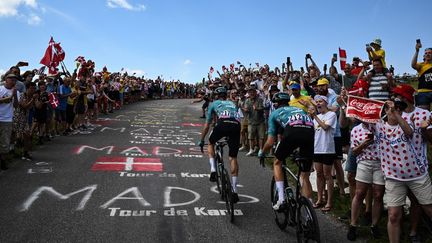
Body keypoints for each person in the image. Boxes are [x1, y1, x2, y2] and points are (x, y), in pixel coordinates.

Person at [366, 99, 432, 243]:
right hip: (393, 177)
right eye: (393, 109)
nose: (396, 111)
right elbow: (354, 120)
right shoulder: (378, 126)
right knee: (393, 215)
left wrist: (396, 113)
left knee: (429, 209)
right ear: (384, 111)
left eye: (399, 109)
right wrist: (345, 105)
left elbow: (408, 132)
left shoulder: (407, 124)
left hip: (417, 175)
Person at [259, 92, 315, 210]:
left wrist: (262, 152)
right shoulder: (299, 110)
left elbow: (270, 142)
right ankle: (309, 209)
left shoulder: (274, 113)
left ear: (275, 104)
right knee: (305, 175)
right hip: (310, 133)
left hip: (292, 132)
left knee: (277, 162)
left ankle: (281, 199)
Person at [198, 87, 241, 203]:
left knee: (211, 142)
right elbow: (237, 118)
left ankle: (213, 169)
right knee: (233, 157)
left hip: (222, 124)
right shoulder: (232, 103)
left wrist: (201, 140)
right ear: (225, 96)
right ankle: (235, 190)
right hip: (236, 126)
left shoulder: (213, 104)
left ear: (216, 96)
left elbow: (207, 125)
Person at [347, 122, 384, 241]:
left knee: (378, 195)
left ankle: (374, 225)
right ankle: (353, 225)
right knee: (360, 193)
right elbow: (354, 151)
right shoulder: (356, 130)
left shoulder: (382, 126)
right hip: (364, 162)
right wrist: (364, 143)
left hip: (380, 163)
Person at [310, 95, 337, 212]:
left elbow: (325, 127)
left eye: (320, 101)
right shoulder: (317, 117)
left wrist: (314, 116)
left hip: (327, 149)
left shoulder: (331, 115)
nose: (318, 104)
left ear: (326, 103)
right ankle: (320, 198)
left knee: (327, 175)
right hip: (317, 149)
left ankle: (330, 201)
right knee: (319, 174)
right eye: (317, 102)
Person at [0, 73, 20, 170]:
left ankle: (3, 161)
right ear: (6, 79)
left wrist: (15, 95)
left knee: (5, 141)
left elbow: (16, 105)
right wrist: (9, 96)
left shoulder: (16, 91)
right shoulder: (1, 89)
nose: (13, 81)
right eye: (11, 79)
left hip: (7, 119)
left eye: (15, 80)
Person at [243, 85, 265, 156]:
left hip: (260, 121)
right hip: (251, 121)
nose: (251, 93)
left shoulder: (260, 100)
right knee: (251, 136)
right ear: (248, 93)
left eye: (253, 92)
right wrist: (245, 110)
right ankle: (251, 149)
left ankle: (261, 150)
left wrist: (257, 109)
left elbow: (262, 109)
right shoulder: (247, 101)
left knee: (261, 136)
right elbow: (246, 109)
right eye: (250, 92)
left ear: (255, 92)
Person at [411, 41, 432, 110]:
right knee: (424, 115)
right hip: (423, 93)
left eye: (429, 53)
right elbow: (413, 65)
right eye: (426, 53)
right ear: (424, 56)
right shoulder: (421, 65)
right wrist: (417, 51)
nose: (427, 54)